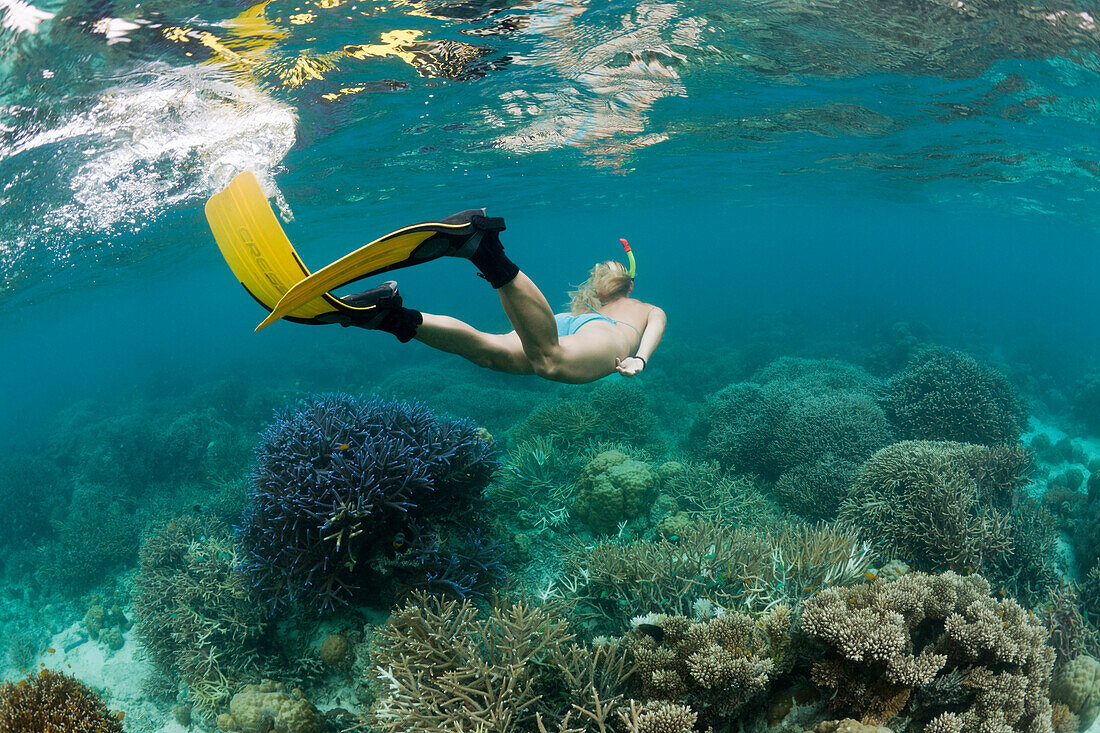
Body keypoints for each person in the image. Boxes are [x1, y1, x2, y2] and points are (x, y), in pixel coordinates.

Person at [340, 227, 666, 384]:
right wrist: (640, 359)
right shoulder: (647, 308)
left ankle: (391, 314)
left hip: (569, 324)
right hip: (605, 335)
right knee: (551, 362)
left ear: (601, 290)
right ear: (631, 284)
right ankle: (484, 250)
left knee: (490, 354)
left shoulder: (591, 308)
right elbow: (655, 328)